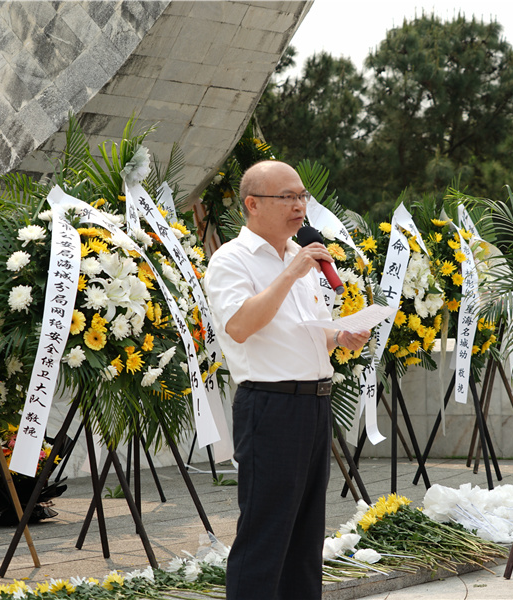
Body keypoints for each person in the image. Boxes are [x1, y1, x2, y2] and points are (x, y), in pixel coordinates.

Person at [205, 160, 371, 600]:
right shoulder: (231, 260)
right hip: (270, 406)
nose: (299, 206)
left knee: (305, 537)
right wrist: (291, 273)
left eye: (302, 196)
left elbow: (303, 333)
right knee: (266, 533)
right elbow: (240, 326)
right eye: (287, 197)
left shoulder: (299, 257)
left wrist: (340, 336)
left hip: (314, 404)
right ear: (252, 204)